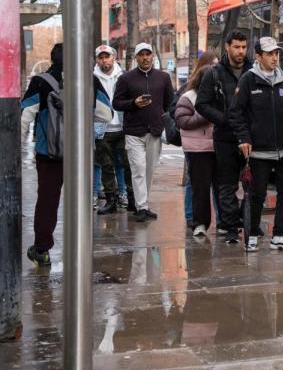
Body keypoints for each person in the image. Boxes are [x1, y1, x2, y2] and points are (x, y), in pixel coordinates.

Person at [22, 43, 113, 267]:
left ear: (53, 59)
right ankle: (79, 249)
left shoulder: (41, 81)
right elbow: (106, 114)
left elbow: (24, 116)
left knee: (47, 201)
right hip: (80, 154)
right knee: (80, 202)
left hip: (48, 154)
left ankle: (42, 249)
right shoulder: (89, 80)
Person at [229, 36, 283, 252]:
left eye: (277, 53)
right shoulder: (247, 81)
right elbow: (236, 113)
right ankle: (252, 234)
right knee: (257, 194)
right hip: (259, 152)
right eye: (270, 53)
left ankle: (280, 235)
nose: (274, 57)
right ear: (259, 56)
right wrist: (244, 138)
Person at [195, 31, 251, 244]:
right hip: (225, 137)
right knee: (226, 185)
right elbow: (202, 104)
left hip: (250, 136)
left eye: (244, 47)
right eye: (237, 47)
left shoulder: (253, 70)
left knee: (253, 185)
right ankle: (230, 226)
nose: (241, 51)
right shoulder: (214, 73)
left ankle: (248, 222)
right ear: (227, 47)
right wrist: (223, 119)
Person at [113, 42, 174, 223]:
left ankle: (144, 204)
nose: (145, 57)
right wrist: (134, 103)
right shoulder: (126, 79)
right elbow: (116, 103)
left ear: (152, 56)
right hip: (133, 132)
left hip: (155, 131)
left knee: (150, 170)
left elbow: (170, 103)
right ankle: (141, 207)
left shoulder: (163, 77)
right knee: (138, 169)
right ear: (136, 58)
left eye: (148, 54)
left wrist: (166, 121)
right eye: (142, 54)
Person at [175, 61, 216, 237]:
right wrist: (204, 113)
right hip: (198, 149)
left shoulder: (220, 95)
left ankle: (225, 223)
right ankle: (199, 223)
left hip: (218, 146)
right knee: (200, 188)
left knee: (223, 187)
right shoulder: (189, 97)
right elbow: (182, 121)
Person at [93, 44, 132, 215]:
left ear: (114, 58)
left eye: (107, 56)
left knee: (126, 164)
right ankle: (111, 199)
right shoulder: (92, 78)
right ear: (97, 60)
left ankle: (128, 197)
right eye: (101, 57)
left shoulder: (124, 76)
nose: (104, 60)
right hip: (101, 129)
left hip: (123, 126)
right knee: (106, 166)